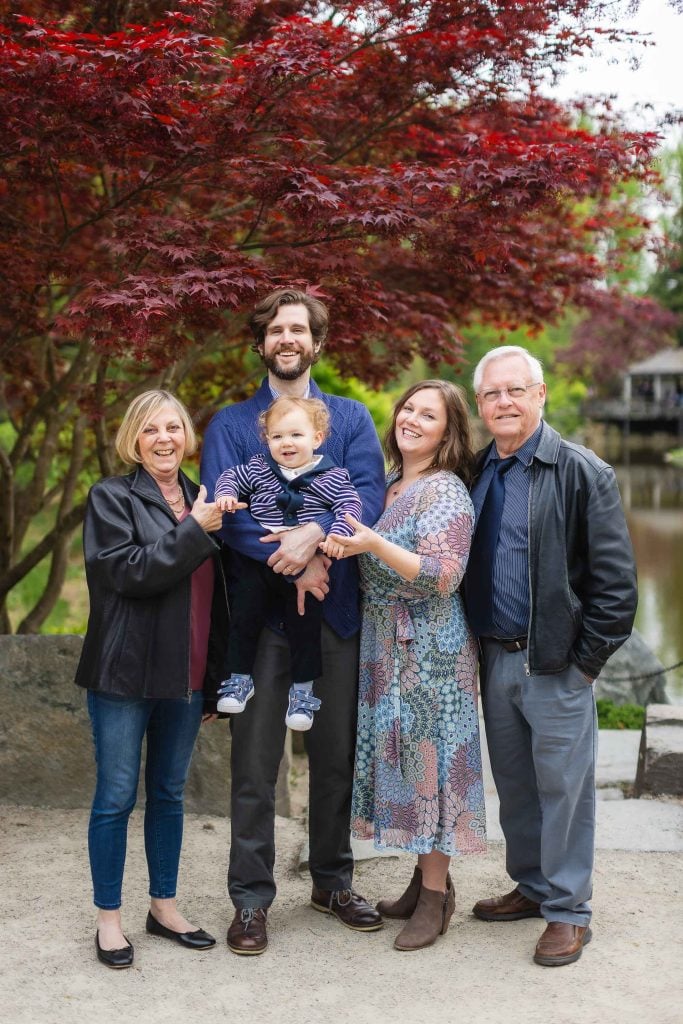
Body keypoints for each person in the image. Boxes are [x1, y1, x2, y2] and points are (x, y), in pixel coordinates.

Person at [201, 288, 386, 956]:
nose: (287, 338)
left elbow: (364, 494)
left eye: (298, 329)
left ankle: (332, 880)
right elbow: (228, 512)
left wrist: (315, 539)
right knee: (254, 766)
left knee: (332, 756)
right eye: (276, 329)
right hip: (260, 621)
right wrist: (292, 556)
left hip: (332, 610)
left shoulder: (351, 417)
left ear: (316, 341)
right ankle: (250, 900)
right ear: (260, 343)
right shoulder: (230, 423)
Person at [462, 345, 637, 967]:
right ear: (480, 405)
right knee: (513, 786)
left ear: (541, 395)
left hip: (556, 665)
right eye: (492, 394)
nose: (504, 402)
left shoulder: (581, 471)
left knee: (565, 790)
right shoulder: (479, 469)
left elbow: (616, 589)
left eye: (515, 390)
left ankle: (568, 912)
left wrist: (584, 663)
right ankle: (533, 887)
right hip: (494, 656)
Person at [323, 380, 486, 952]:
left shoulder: (445, 491)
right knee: (401, 758)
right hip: (381, 641)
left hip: (431, 647)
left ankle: (437, 899)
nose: (413, 420)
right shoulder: (390, 485)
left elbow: (444, 574)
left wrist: (369, 545)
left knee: (431, 767)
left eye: (429, 415)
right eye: (408, 409)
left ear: (449, 431)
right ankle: (422, 882)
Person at [75, 389, 228, 969]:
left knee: (168, 794)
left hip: (187, 676)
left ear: (187, 436)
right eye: (150, 430)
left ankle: (163, 907)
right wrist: (198, 529)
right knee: (116, 797)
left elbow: (220, 601)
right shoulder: (111, 497)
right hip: (123, 675)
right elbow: (130, 572)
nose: (164, 439)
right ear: (133, 440)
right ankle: (109, 921)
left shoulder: (204, 497)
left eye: (173, 428)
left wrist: (215, 678)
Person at [213, 395, 362, 730]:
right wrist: (226, 494)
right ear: (267, 440)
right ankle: (238, 679)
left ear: (317, 438)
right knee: (244, 615)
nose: (287, 443)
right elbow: (231, 478)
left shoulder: (333, 476)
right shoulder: (257, 468)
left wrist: (332, 539)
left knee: (305, 626)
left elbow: (350, 507)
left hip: (307, 564)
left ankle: (303, 693)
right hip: (260, 561)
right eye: (277, 436)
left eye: (296, 435)